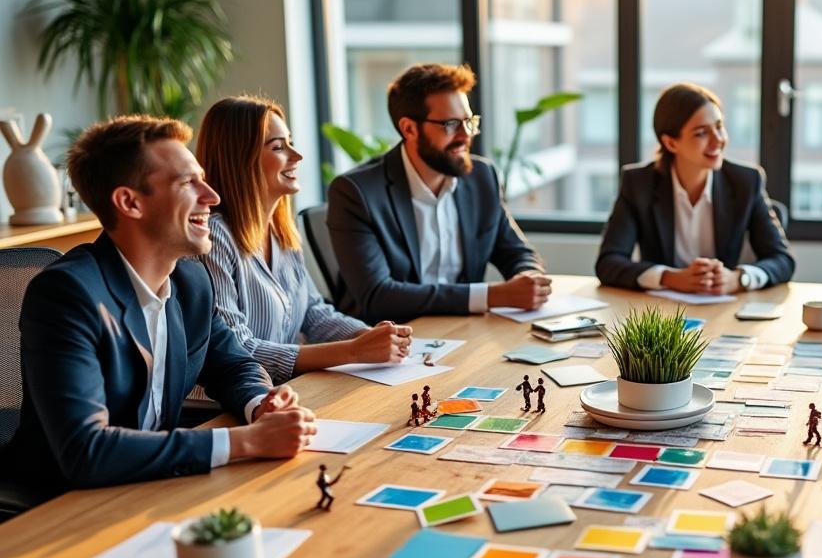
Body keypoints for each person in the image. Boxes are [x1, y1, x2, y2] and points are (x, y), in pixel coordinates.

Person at [3, 116, 317, 503]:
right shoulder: (67, 295)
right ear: (130, 202)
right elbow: (87, 450)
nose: (212, 196)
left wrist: (261, 404)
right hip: (59, 504)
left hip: (154, 486)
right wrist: (244, 442)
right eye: (188, 183)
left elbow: (234, 364)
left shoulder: (190, 281)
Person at [193, 96, 413, 384]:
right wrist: (352, 351)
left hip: (283, 393)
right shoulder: (214, 238)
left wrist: (367, 335)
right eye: (278, 147)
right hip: (226, 408)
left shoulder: (282, 232)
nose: (296, 156)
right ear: (239, 158)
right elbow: (238, 350)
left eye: (291, 142)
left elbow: (313, 313)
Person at [327, 63, 550, 322]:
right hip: (389, 342)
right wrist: (491, 296)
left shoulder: (480, 177)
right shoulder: (356, 193)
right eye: (451, 124)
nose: (465, 135)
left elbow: (515, 251)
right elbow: (377, 296)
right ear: (409, 129)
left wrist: (529, 278)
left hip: (461, 333)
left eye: (469, 122)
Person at [595, 83, 794, 292]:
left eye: (719, 126)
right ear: (671, 143)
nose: (718, 140)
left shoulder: (746, 181)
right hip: (664, 314)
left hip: (727, 310)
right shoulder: (638, 184)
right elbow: (608, 263)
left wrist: (738, 279)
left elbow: (782, 260)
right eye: (701, 133)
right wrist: (670, 278)